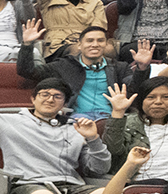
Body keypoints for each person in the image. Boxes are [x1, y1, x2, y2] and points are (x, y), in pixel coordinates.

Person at [16, 24, 145, 121]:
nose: (95, 44)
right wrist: (27, 45)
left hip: (111, 118)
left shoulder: (120, 67)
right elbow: (27, 71)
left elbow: (134, 89)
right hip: (75, 119)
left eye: (100, 40)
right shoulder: (64, 65)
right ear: (79, 45)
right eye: (89, 41)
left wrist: (142, 68)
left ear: (106, 44)